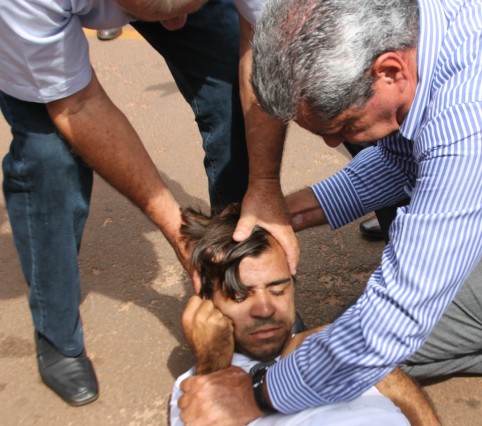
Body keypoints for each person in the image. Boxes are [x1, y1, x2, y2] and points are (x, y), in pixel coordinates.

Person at [177, 0, 482, 423]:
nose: (334, 144)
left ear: (390, 71)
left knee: (355, 358)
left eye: (340, 126)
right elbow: (407, 153)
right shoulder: (415, 24)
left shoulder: (481, 117)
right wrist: (295, 210)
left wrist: (257, 392)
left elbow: (393, 322)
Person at [0, 0, 296, 407]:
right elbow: (77, 105)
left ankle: (241, 284)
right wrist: (176, 228)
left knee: (234, 93)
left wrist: (263, 184)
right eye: (163, 13)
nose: (175, 26)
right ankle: (56, 330)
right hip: (38, 30)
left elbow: (262, 51)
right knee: (47, 161)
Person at [172, 205, 440, 425]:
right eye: (240, 296)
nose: (265, 309)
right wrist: (212, 364)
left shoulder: (337, 341)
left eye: (278, 290)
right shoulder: (190, 385)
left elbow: (393, 382)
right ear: (206, 301)